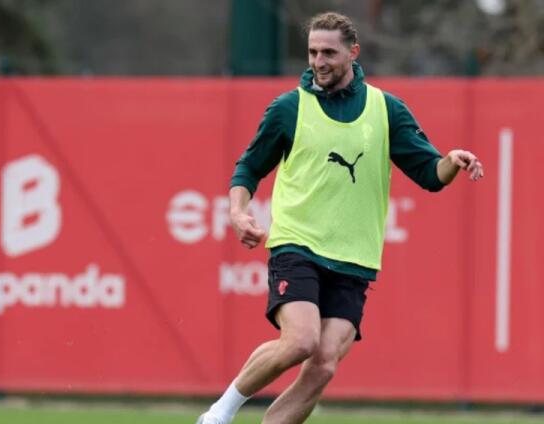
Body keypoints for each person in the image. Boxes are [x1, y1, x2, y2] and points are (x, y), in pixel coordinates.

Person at [198, 11, 484, 424]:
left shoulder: (386, 109)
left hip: (354, 257)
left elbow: (430, 174)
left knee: (324, 364)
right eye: (313, 52)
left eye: (329, 53)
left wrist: (451, 162)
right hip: (297, 243)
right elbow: (249, 167)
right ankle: (218, 415)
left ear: (353, 52)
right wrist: (237, 211)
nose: (319, 61)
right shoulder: (289, 108)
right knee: (300, 341)